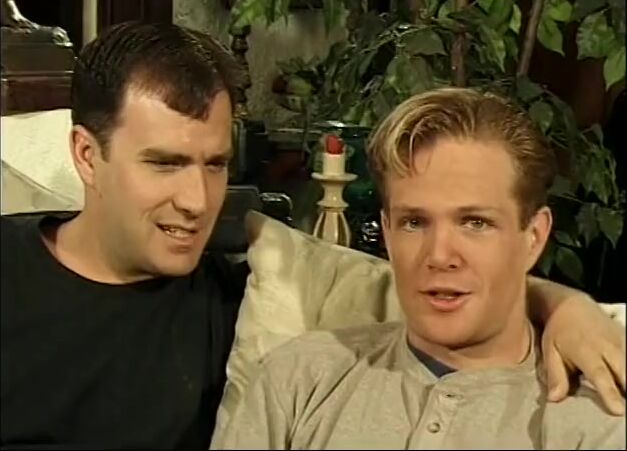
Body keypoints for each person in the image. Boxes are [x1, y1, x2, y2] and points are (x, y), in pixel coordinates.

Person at [0, 22, 623, 450]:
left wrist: (569, 307)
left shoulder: (249, 294)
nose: (196, 201)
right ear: (87, 155)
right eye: (164, 164)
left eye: (215, 165)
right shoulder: (10, 268)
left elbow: (427, 282)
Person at [211, 88, 626, 450]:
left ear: (533, 236)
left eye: (474, 223)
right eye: (414, 222)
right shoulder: (299, 378)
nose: (439, 255)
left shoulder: (596, 420)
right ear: (387, 233)